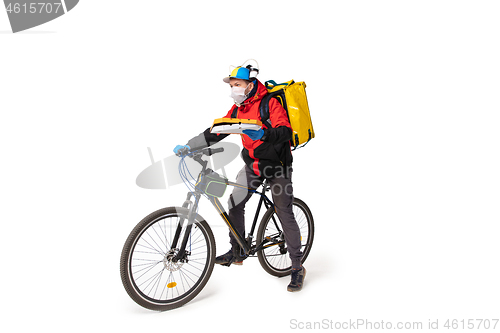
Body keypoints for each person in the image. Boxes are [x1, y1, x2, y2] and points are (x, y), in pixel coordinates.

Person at [173, 64, 306, 292]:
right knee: (234, 203)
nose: (234, 89)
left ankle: (296, 267)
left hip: (278, 167)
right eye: (232, 85)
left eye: (238, 85)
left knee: (284, 211)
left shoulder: (269, 103)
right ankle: (238, 250)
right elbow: (217, 130)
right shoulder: (238, 108)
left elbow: (284, 131)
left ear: (250, 85)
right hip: (253, 165)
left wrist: (264, 133)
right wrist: (190, 146)